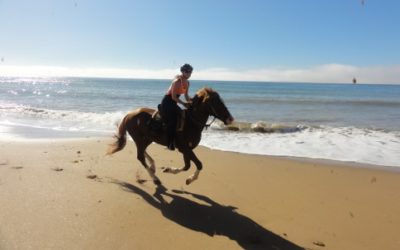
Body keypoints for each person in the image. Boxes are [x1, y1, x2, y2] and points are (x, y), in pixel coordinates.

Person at [160, 64, 193, 150]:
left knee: (184, 117)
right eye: (187, 72)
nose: (189, 74)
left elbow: (186, 96)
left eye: (190, 72)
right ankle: (170, 143)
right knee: (173, 121)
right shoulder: (177, 81)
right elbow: (173, 97)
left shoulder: (187, 82)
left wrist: (193, 100)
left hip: (174, 102)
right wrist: (183, 104)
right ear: (182, 71)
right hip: (167, 102)